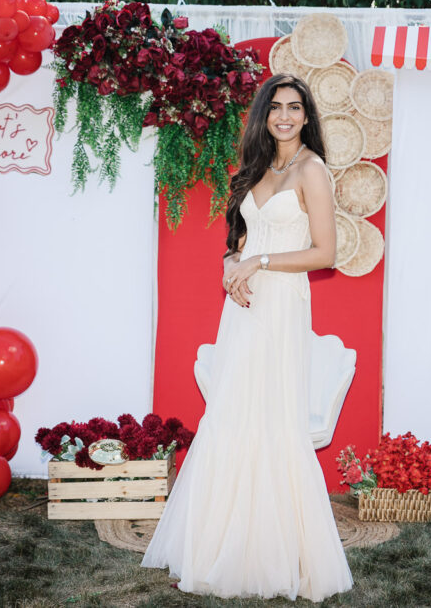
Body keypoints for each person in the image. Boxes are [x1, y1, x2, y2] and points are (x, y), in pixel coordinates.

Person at [142, 74, 354, 601]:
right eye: (276, 107)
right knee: (232, 414)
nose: (285, 116)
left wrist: (257, 262)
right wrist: (231, 265)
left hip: (281, 305)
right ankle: (216, 549)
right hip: (243, 307)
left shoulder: (312, 170)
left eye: (295, 108)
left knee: (272, 418)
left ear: (307, 117)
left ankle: (277, 554)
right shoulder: (258, 167)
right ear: (264, 114)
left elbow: (326, 253)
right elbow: (236, 239)